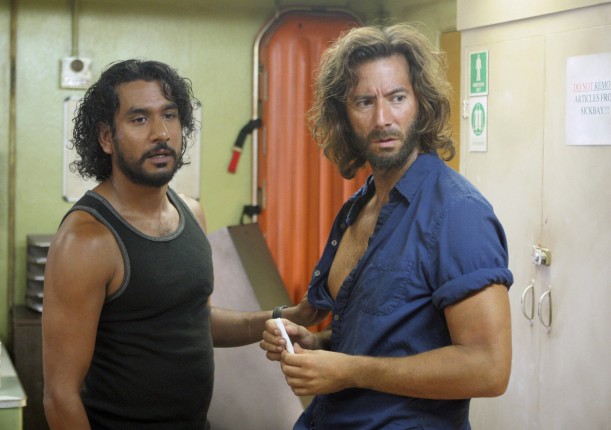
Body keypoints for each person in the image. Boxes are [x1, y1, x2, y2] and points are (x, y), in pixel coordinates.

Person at [42, 59, 323, 430]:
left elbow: (198, 320)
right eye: (139, 119)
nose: (160, 133)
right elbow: (60, 396)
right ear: (106, 137)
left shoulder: (191, 212)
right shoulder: (87, 239)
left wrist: (290, 316)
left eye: (169, 115)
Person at [260, 23, 513, 429]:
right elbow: (385, 334)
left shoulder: (458, 213)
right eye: (364, 101)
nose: (382, 119)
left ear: (422, 103)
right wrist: (319, 344)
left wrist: (351, 371)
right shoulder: (359, 206)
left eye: (397, 98)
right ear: (344, 115)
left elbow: (489, 368)